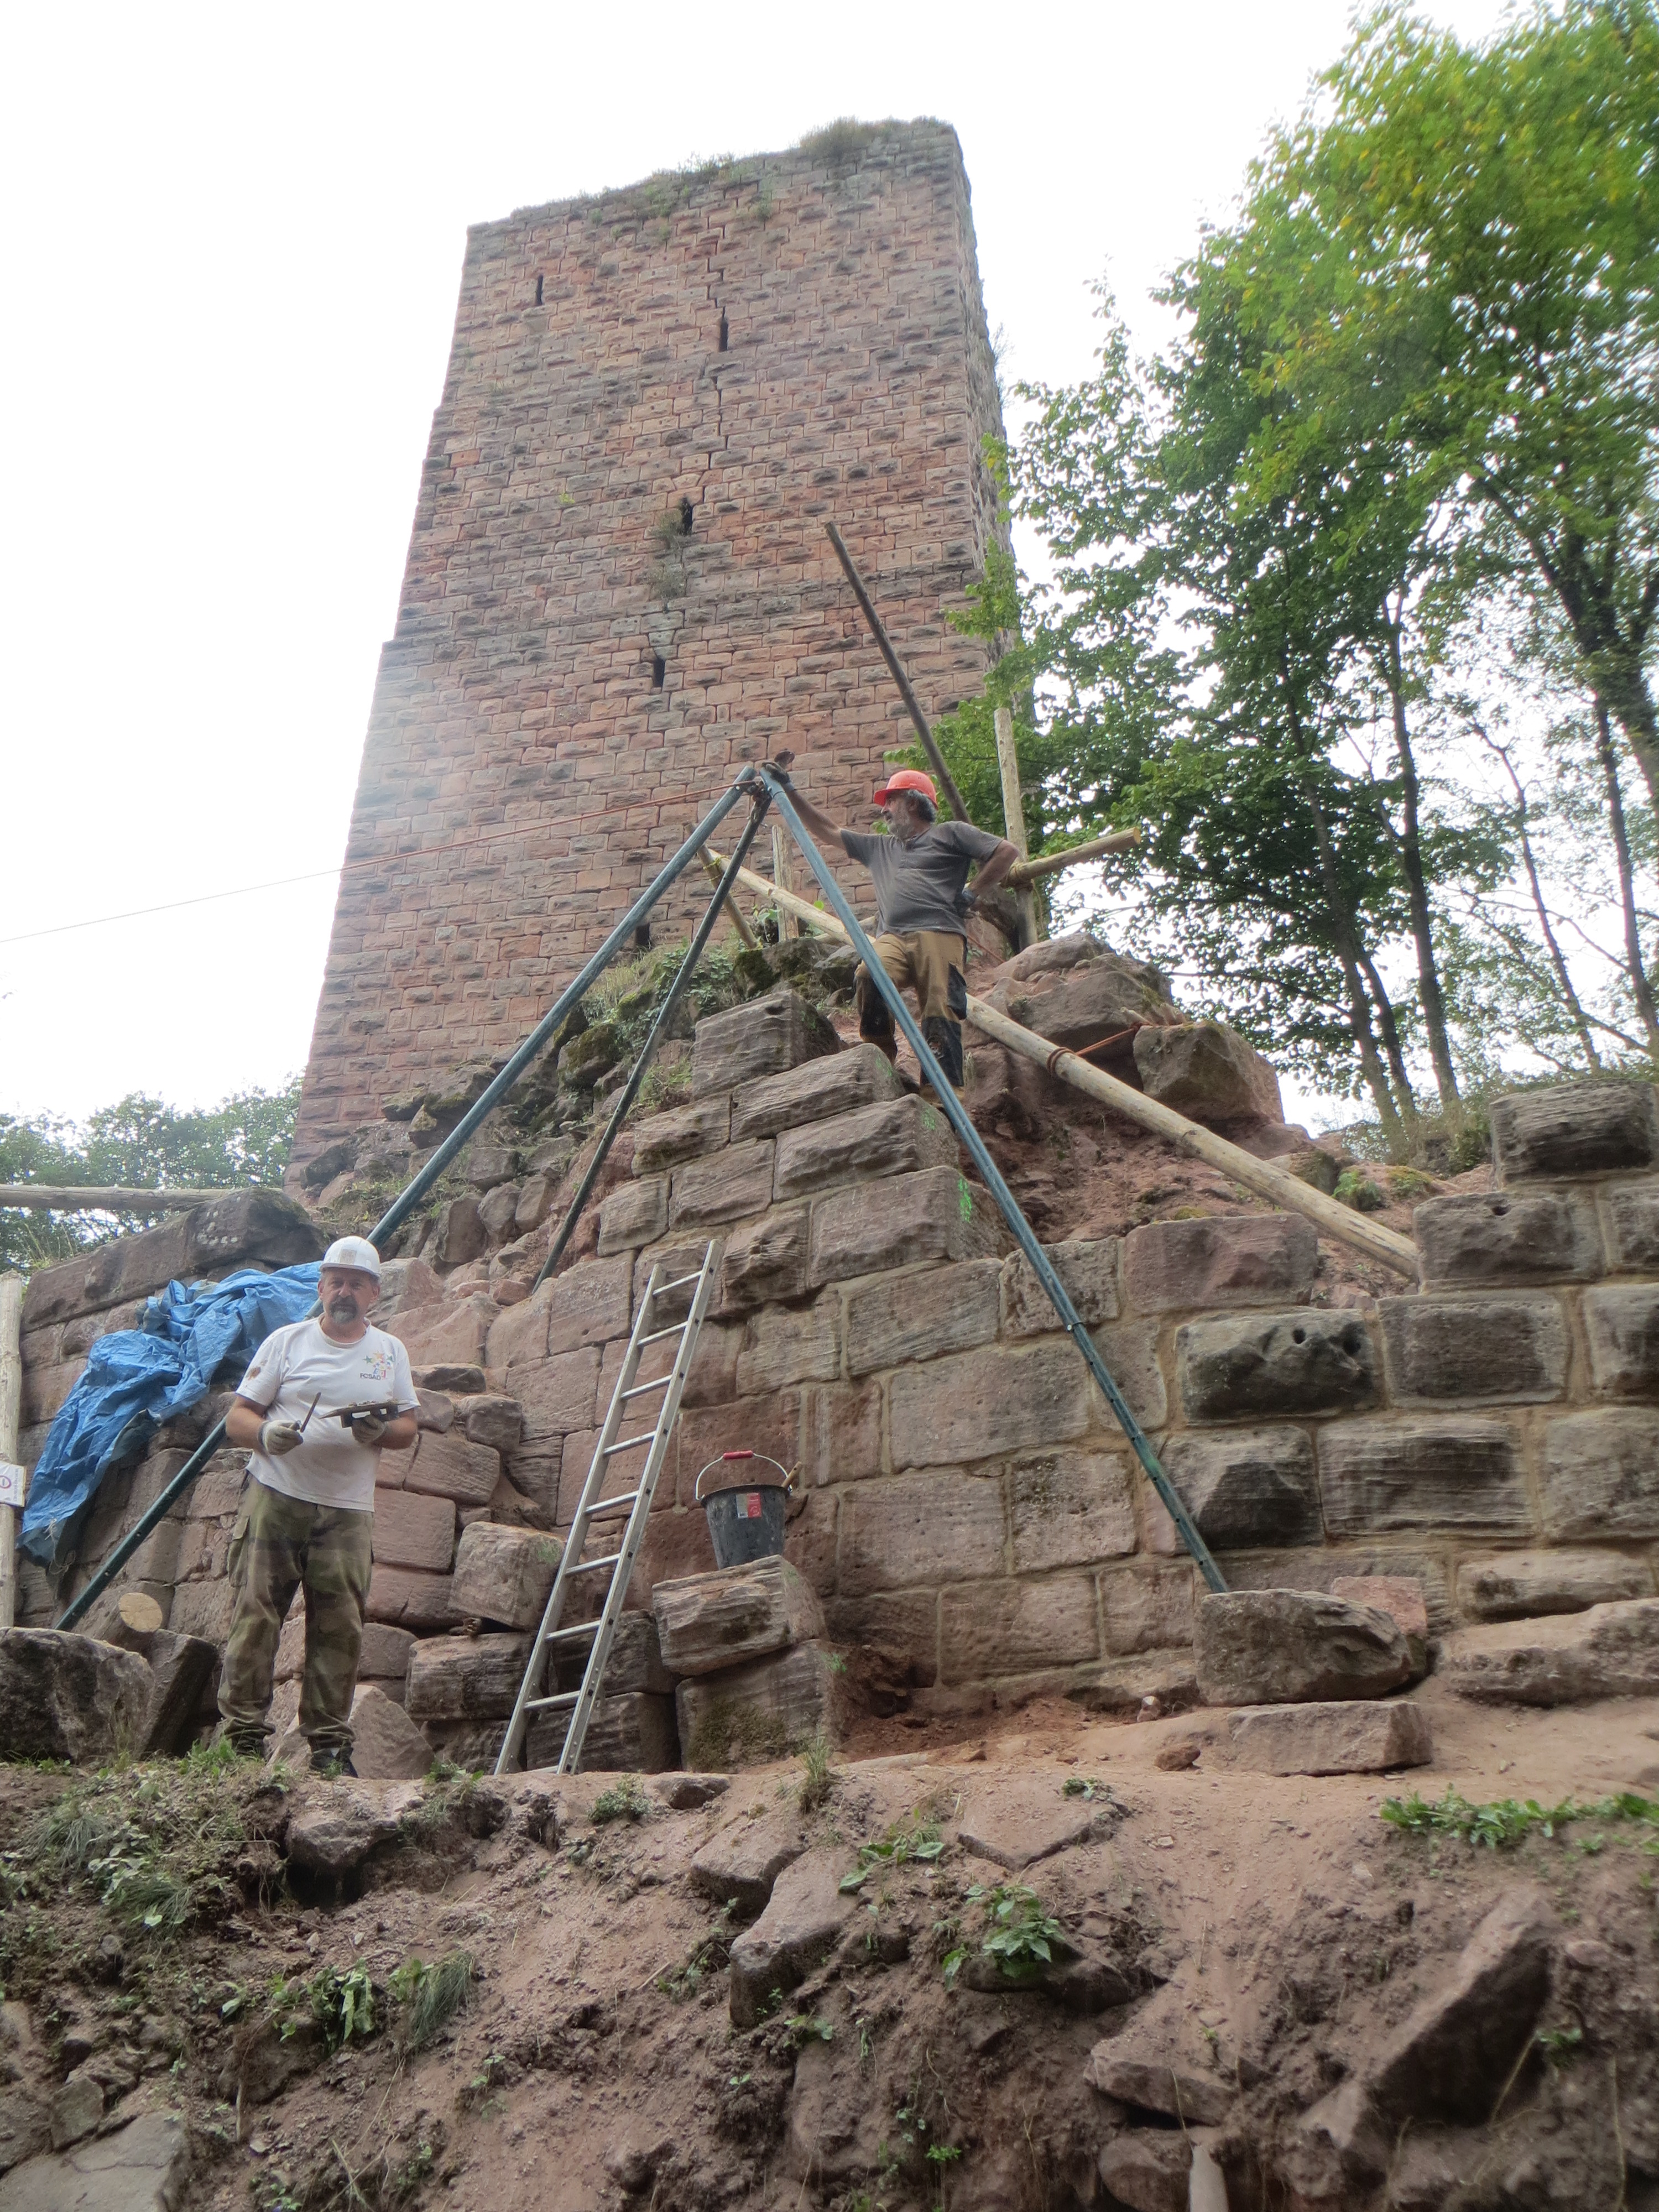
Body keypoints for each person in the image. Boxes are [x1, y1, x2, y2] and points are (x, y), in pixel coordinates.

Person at [218, 1235, 419, 1775]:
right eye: (336, 1282)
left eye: (356, 1283)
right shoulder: (287, 1342)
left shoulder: (389, 1352)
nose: (344, 1292)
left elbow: (407, 1427)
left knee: (340, 1626)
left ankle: (329, 1749)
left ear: (374, 1293)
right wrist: (266, 1434)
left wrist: (381, 1430)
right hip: (275, 1495)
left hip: (348, 1510)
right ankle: (241, 1740)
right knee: (256, 1614)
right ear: (321, 1287)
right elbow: (238, 1417)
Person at [773, 764, 1018, 1092]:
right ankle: (880, 1062)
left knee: (940, 1008)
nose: (884, 809)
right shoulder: (878, 847)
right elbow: (827, 829)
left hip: (940, 933)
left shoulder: (950, 833)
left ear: (913, 803)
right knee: (869, 975)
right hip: (892, 937)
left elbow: (1006, 852)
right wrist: (789, 789)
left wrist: (972, 892)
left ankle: (941, 1097)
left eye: (891, 801)